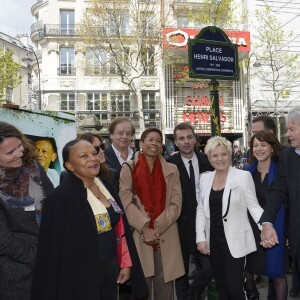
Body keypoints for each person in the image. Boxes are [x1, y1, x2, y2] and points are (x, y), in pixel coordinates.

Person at [30, 139, 148, 300]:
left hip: (110, 265)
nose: (93, 159)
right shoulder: (60, 198)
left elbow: (120, 228)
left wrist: (125, 262)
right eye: (84, 156)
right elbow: (55, 249)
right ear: (70, 166)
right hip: (80, 274)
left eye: (94, 153)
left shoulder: (106, 186)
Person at [119, 128, 184, 300]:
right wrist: (145, 226)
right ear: (141, 143)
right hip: (140, 235)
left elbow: (176, 203)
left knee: (166, 289)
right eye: (150, 140)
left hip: (166, 232)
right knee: (142, 290)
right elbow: (125, 202)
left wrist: (156, 226)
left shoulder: (172, 169)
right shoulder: (128, 167)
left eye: (158, 140)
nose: (154, 144)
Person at [196, 136, 263, 300]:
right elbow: (200, 210)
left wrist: (267, 227)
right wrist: (201, 238)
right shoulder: (204, 179)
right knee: (221, 286)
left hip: (235, 241)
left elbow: (254, 207)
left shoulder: (243, 176)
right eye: (215, 155)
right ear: (209, 158)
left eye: (223, 154)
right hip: (214, 241)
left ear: (230, 154)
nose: (220, 159)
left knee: (234, 288)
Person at [0, 121, 54, 300]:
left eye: (19, 146)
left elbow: (53, 201)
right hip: (15, 271)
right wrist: (39, 256)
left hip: (49, 260)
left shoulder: (33, 167)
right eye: (10, 152)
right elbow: (4, 240)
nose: (19, 154)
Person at [167, 123, 214, 300]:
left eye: (189, 137)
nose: (186, 142)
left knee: (209, 269)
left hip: (205, 225)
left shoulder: (208, 161)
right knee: (181, 274)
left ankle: (192, 296)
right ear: (176, 142)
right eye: (181, 138)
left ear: (195, 139)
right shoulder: (169, 164)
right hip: (179, 226)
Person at [260, 106, 300, 294]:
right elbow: (276, 191)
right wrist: (267, 222)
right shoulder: (287, 156)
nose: (287, 134)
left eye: (292, 129)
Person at [245, 131, 287, 300]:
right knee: (248, 268)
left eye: (263, 145)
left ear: (272, 147)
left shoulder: (281, 171)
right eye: (255, 145)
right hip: (251, 227)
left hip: (276, 227)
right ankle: (251, 293)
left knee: (277, 275)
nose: (259, 149)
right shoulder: (247, 172)